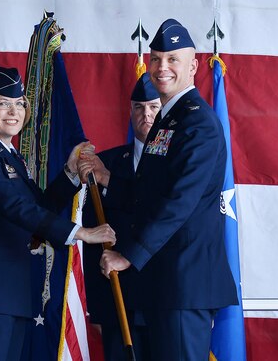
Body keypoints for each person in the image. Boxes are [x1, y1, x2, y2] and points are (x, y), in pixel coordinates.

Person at [0, 66, 116, 361]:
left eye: (20, 103)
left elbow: (39, 206)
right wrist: (81, 233)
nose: (14, 111)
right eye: (3, 103)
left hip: (10, 295)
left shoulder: (7, 155)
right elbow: (16, 207)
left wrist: (70, 172)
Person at [99, 19, 238, 360]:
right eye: (157, 58)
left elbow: (180, 201)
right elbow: (151, 191)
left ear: (193, 65)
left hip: (184, 283)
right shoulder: (170, 120)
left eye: (173, 59)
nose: (162, 67)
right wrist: (109, 180)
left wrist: (128, 254)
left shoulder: (198, 123)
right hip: (166, 282)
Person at [79, 72, 161, 361]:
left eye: (154, 107)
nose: (146, 115)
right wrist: (98, 309)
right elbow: (94, 236)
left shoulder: (180, 161)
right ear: (129, 111)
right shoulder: (108, 162)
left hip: (167, 302)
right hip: (119, 301)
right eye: (139, 107)